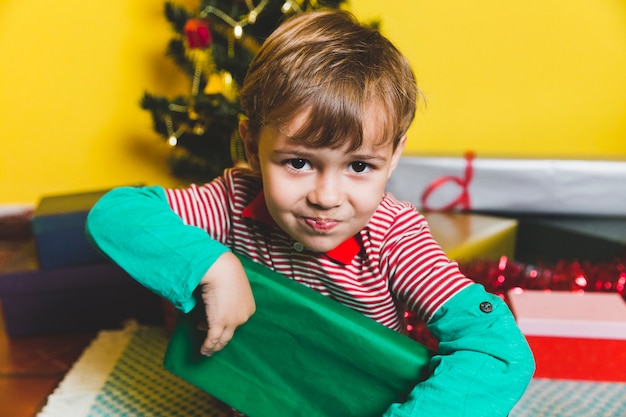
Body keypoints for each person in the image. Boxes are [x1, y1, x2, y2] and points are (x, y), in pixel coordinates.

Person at [86, 10, 534, 417]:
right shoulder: (231, 202)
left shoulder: (393, 235)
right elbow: (117, 211)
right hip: (252, 396)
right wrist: (214, 266)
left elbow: (498, 346)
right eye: (298, 162)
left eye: (359, 166)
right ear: (250, 144)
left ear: (393, 156)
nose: (326, 196)